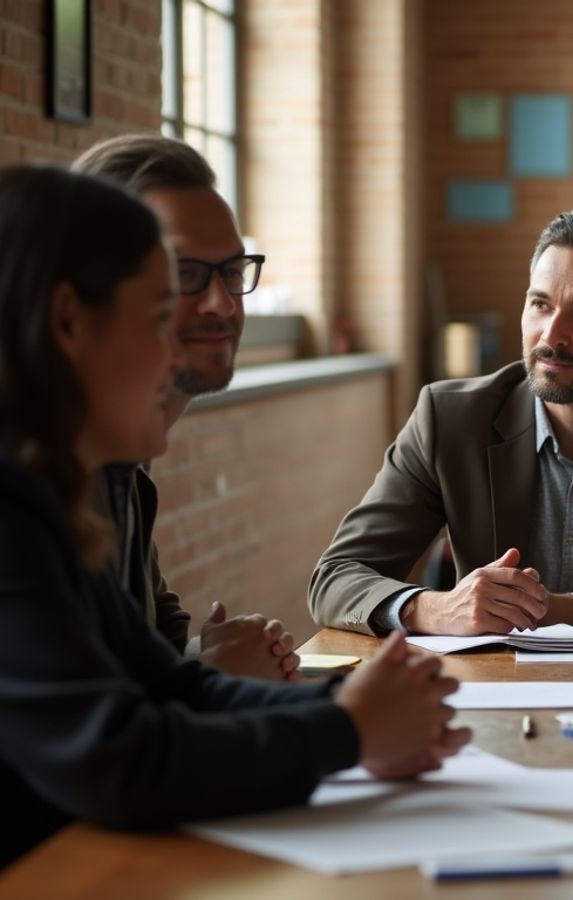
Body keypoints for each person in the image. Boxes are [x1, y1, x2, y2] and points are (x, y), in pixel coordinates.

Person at [0, 165, 469, 867]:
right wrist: (348, 730)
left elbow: (170, 682)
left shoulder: (53, 496)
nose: (172, 353)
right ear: (69, 321)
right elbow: (118, 757)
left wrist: (360, 700)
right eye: (159, 317)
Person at [309, 210, 573, 636]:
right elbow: (336, 578)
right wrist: (435, 608)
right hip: (493, 684)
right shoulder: (449, 419)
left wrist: (558, 609)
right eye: (540, 304)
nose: (551, 336)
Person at [72, 135, 298, 681]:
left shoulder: (127, 453)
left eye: (232, 271)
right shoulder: (51, 468)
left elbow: (144, 640)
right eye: (183, 273)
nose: (222, 303)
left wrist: (209, 658)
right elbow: (88, 728)